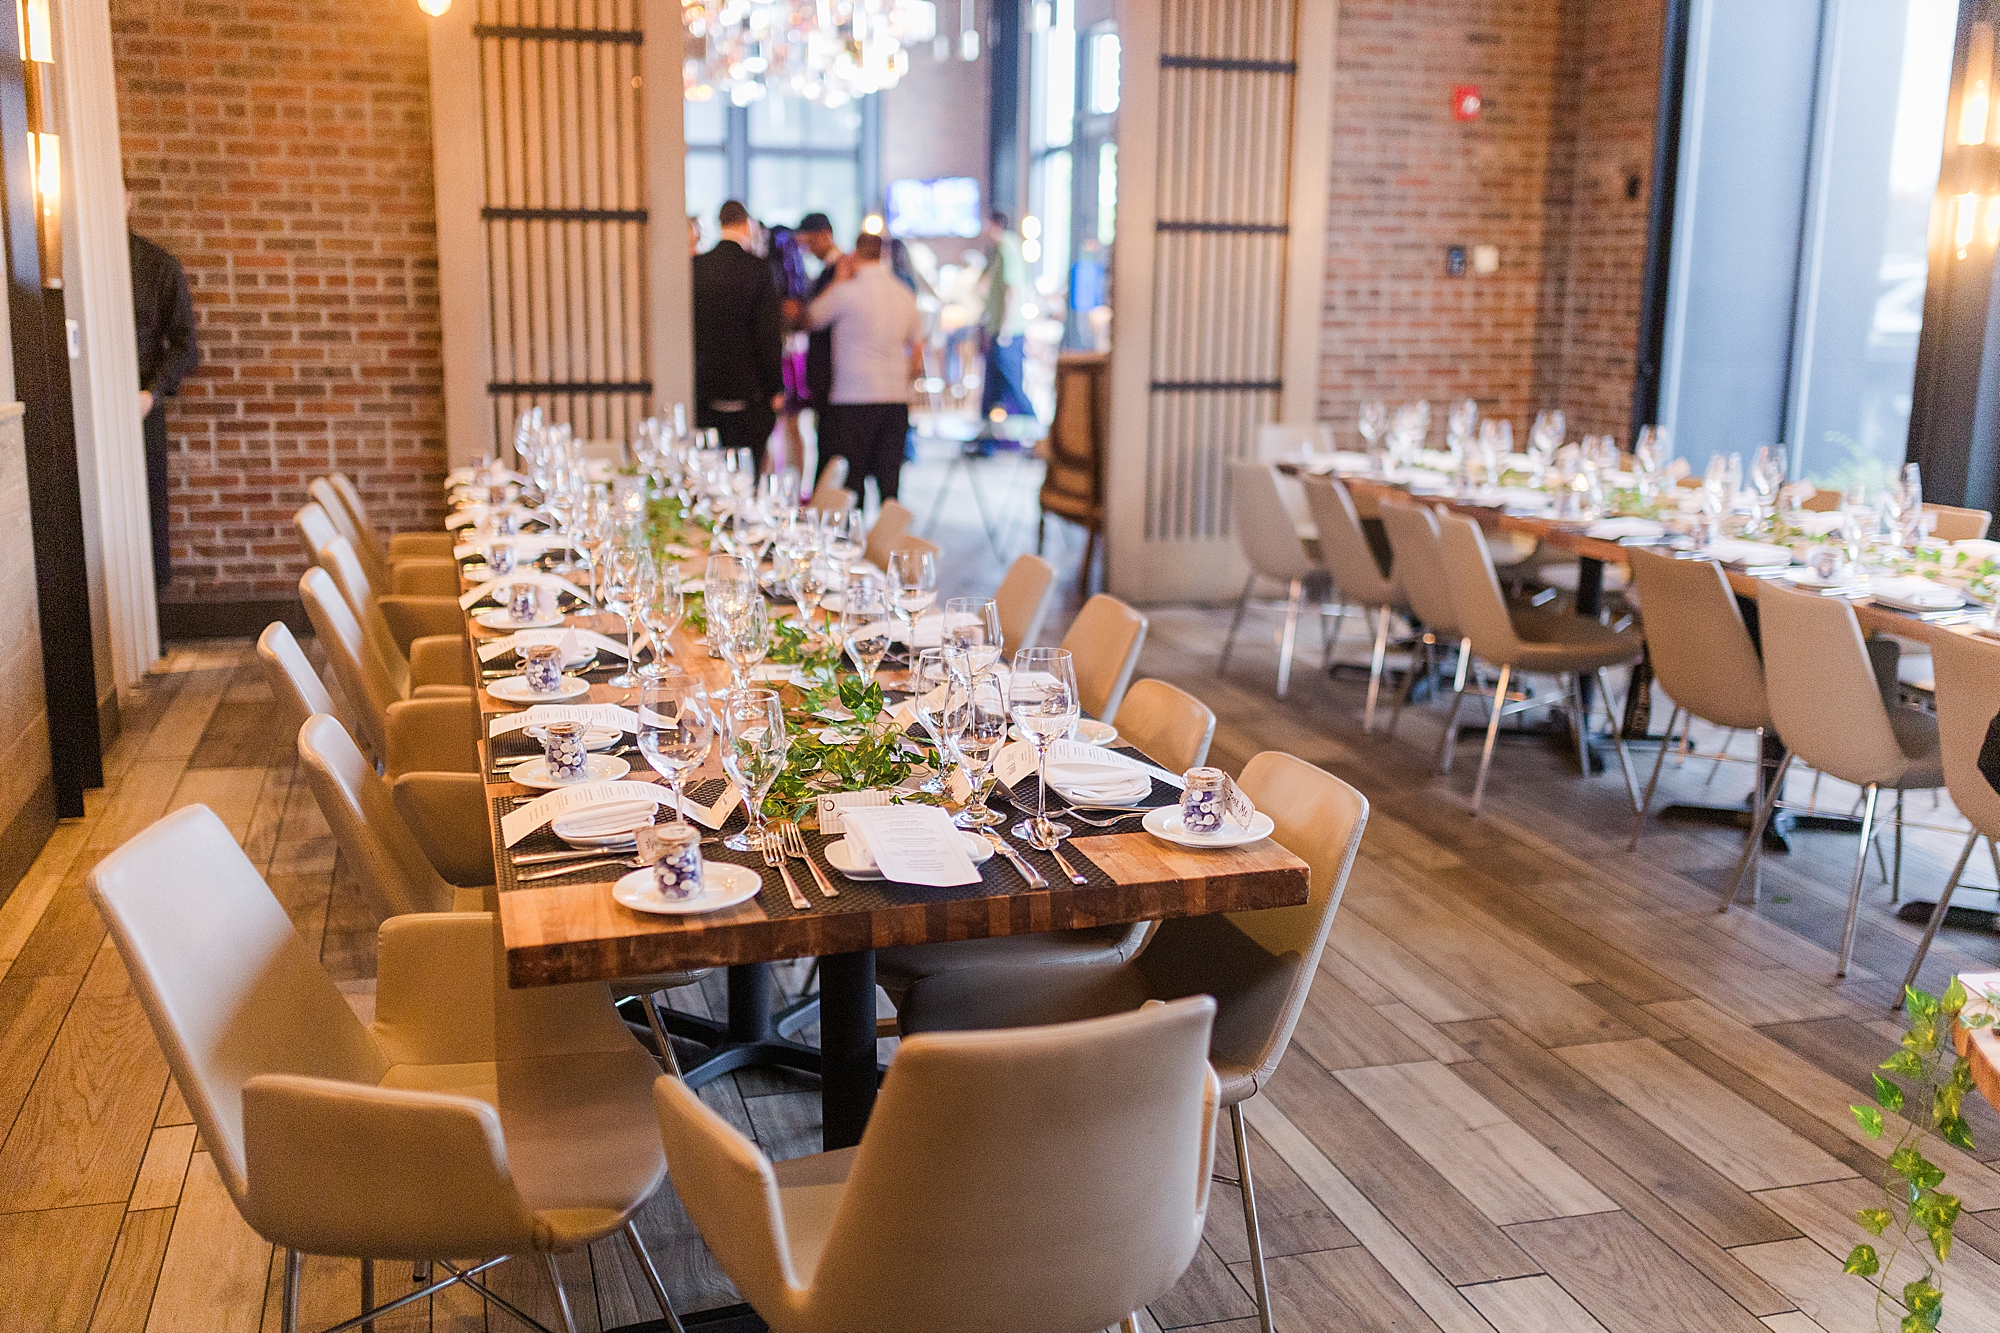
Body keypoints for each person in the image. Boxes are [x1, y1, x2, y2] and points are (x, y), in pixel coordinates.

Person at [806, 231, 922, 503]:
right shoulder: (904, 294)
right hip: (894, 398)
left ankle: (851, 543)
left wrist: (836, 281)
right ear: (882, 254)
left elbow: (811, 318)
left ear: (856, 254)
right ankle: (887, 543)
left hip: (853, 397)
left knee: (851, 484)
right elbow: (917, 355)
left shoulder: (846, 292)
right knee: (890, 485)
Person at [129, 192, 199, 591]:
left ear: (127, 200)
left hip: (143, 406)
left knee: (150, 511)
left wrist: (150, 394)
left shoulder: (158, 266)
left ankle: (150, 626)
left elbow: (186, 347)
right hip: (87, 410)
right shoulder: (72, 261)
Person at [691, 199, 784, 469]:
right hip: (750, 393)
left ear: (720, 224)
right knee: (747, 472)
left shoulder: (698, 267)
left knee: (710, 470)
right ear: (746, 225)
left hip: (706, 390)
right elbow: (767, 335)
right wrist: (775, 387)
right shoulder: (758, 269)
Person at [978, 210, 1033, 430]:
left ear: (995, 225)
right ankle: (983, 443)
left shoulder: (1008, 248)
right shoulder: (996, 250)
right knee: (990, 388)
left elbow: (1012, 290)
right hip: (996, 328)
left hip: (1007, 331)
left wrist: (1005, 329)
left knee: (1013, 386)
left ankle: (1039, 437)